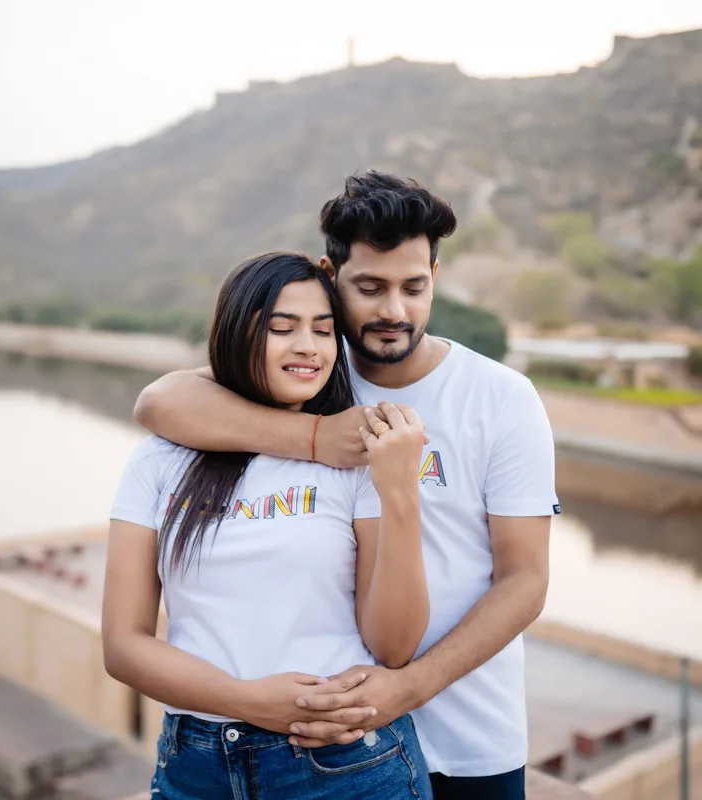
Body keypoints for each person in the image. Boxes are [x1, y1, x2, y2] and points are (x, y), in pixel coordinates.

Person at [133, 172, 559, 800]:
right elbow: (160, 401)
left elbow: (525, 581)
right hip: (332, 750)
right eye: (370, 287)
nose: (394, 310)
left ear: (435, 278)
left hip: (469, 738)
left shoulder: (500, 398)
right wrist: (314, 439)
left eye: (414, 287)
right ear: (331, 277)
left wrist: (405, 687)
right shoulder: (309, 376)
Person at [102, 251, 434, 800]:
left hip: (346, 765)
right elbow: (123, 645)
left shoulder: (356, 457)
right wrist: (245, 698)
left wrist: (400, 490)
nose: (308, 346)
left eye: (324, 331)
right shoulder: (160, 459)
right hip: (196, 765)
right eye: (283, 328)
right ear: (237, 335)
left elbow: (394, 645)